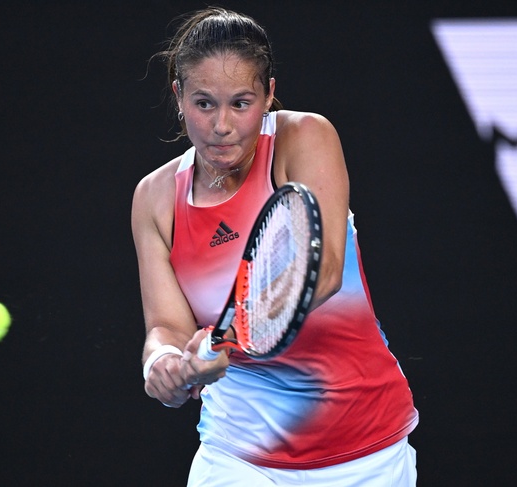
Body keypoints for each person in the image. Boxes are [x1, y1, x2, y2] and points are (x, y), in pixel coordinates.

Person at [132, 7, 418, 486]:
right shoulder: (154, 198)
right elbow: (167, 326)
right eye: (204, 103)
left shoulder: (305, 137)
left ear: (268, 94)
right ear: (179, 96)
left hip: (366, 450)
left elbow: (322, 271)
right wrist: (165, 364)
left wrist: (225, 338)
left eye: (240, 103)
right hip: (236, 455)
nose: (222, 125)